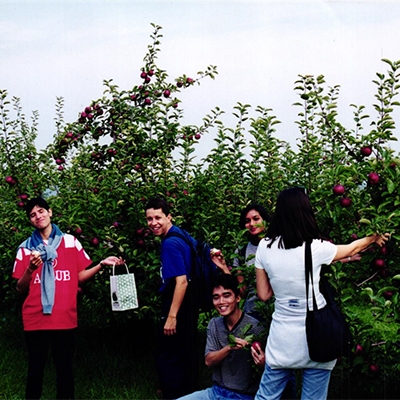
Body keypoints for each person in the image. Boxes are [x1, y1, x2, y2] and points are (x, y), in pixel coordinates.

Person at [254, 187, 390, 400]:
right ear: (305, 212)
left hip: (282, 337)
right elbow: (352, 248)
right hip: (317, 335)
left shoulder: (264, 246)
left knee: (266, 396)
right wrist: (373, 237)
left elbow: (263, 295)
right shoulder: (316, 248)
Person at [12, 197, 123, 400]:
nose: (38, 217)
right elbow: (20, 287)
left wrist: (100, 264)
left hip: (64, 318)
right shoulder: (25, 248)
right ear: (30, 220)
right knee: (35, 371)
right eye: (33, 215)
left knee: (65, 371)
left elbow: (79, 276)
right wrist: (30, 269)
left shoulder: (70, 241)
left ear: (50, 212)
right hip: (36, 319)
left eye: (41, 211)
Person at [177, 274, 265, 400]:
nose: (221, 302)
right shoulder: (214, 324)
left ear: (238, 298)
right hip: (215, 392)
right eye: (216, 297)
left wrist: (263, 363)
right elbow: (209, 361)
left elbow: (269, 367)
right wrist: (229, 348)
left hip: (244, 396)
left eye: (227, 295)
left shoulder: (255, 327)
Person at [145, 198, 199, 400]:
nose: (153, 223)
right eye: (149, 219)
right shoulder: (182, 234)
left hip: (178, 302)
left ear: (169, 217)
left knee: (167, 354)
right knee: (185, 351)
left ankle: (173, 394)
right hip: (190, 302)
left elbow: (181, 281)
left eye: (158, 217)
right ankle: (189, 393)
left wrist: (172, 316)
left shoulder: (170, 243)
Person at [213, 204, 269, 319]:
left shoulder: (277, 246)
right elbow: (242, 292)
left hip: (276, 309)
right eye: (247, 221)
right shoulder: (241, 252)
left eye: (256, 219)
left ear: (265, 220)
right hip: (254, 312)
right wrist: (224, 267)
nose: (252, 224)